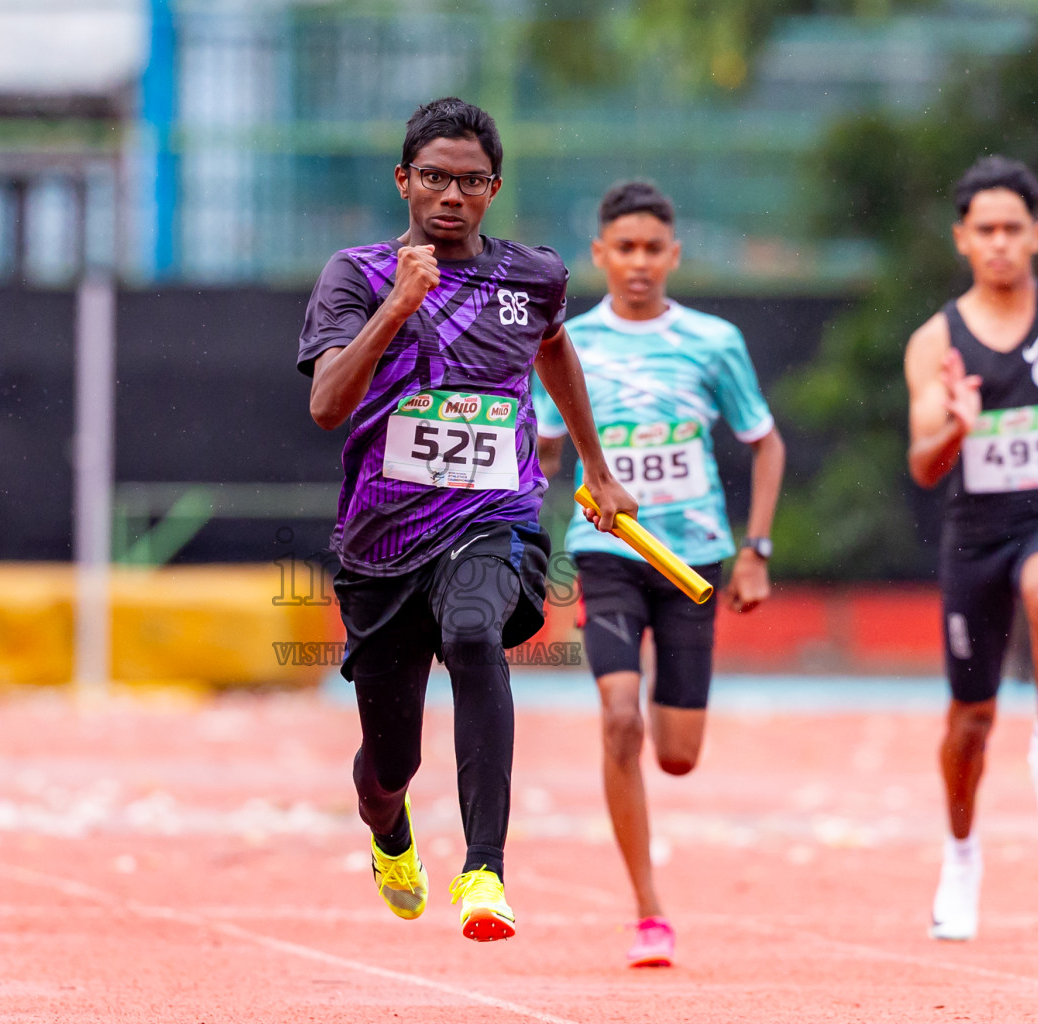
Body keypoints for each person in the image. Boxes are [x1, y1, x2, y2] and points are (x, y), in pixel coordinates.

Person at [297, 97, 635, 942]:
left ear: (494, 188)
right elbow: (327, 406)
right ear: (405, 180)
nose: (452, 196)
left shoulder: (535, 277)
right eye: (437, 179)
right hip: (381, 546)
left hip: (495, 520)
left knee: (478, 631)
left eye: (472, 181)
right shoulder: (358, 274)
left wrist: (595, 463)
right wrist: (399, 307)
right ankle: (389, 825)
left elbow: (553, 345)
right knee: (390, 764)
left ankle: (485, 869)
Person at [533, 181, 785, 967]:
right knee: (618, 718)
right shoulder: (568, 344)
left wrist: (756, 550)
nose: (638, 264)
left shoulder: (713, 342)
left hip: (695, 559)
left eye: (652, 250)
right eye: (624, 249)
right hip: (609, 553)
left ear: (673, 256)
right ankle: (648, 910)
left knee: (676, 753)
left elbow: (765, 443)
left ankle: (654, 810)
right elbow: (541, 454)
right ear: (599, 255)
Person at [905, 155, 1038, 941]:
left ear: (1036, 236)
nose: (998, 244)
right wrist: (956, 421)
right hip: (976, 533)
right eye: (983, 230)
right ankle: (961, 856)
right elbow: (925, 463)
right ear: (963, 239)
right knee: (969, 721)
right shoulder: (936, 343)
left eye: (1011, 230)